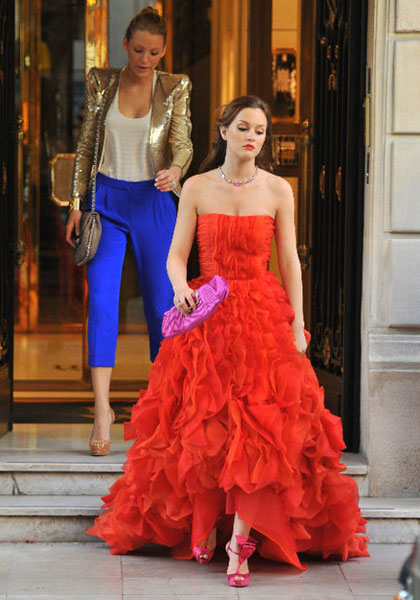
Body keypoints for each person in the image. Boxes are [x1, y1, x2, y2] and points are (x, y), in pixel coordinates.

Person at [86, 95, 368, 586]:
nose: (251, 137)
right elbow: (176, 255)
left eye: (259, 130)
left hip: (262, 315)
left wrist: (298, 323)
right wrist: (179, 289)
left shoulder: (278, 189)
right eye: (243, 127)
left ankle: (241, 542)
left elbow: (290, 261)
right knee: (206, 427)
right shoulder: (196, 186)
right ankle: (207, 526)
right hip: (207, 313)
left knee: (259, 431)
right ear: (223, 131)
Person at [65, 7, 193, 456]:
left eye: (154, 52)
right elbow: (86, 145)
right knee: (102, 302)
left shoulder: (175, 87)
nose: (145, 59)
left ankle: (162, 411)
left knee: (162, 307)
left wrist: (176, 169)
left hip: (154, 203)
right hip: (106, 202)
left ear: (164, 51)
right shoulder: (102, 83)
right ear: (125, 44)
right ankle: (102, 410)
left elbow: (183, 141)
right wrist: (77, 203)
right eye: (138, 50)